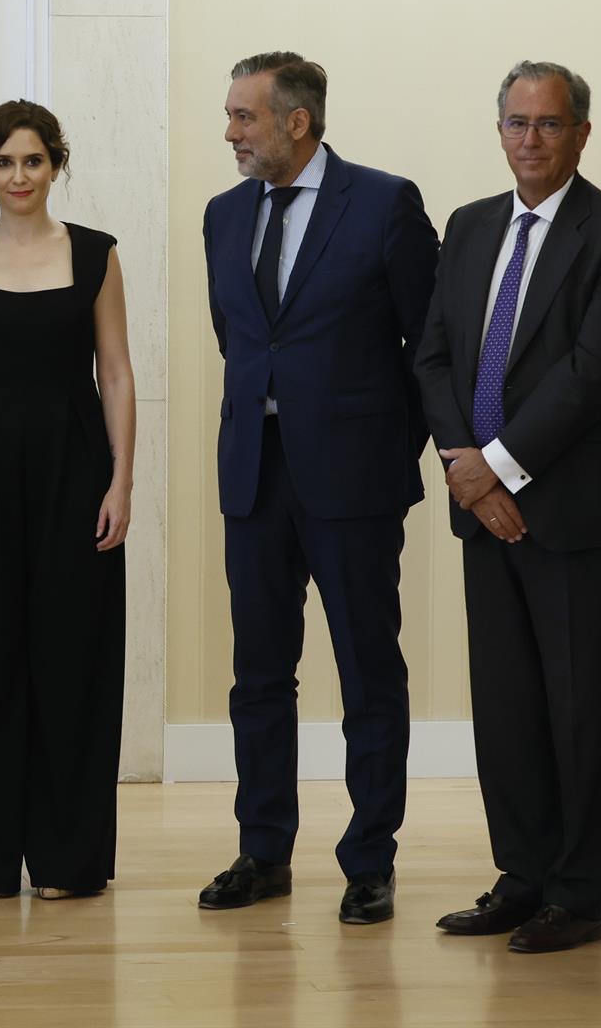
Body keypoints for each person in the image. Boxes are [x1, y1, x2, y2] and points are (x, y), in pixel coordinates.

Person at [197, 52, 438, 925]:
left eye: (244, 117)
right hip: (253, 474)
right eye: (231, 115)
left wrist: (386, 450)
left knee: (368, 673)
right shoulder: (224, 215)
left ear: (296, 122)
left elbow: (430, 344)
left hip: (355, 482)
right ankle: (262, 851)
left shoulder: (384, 203)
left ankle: (369, 860)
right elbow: (239, 338)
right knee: (258, 675)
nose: (230, 132)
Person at [415, 62, 601, 955]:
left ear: (581, 133)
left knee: (580, 708)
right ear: (500, 130)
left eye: (549, 124)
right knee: (506, 704)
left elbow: (594, 373)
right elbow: (435, 355)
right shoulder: (469, 226)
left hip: (578, 512)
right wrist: (465, 468)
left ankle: (577, 897)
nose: (530, 140)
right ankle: (521, 878)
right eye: (517, 123)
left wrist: (497, 472)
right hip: (483, 506)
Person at [0, 101, 133, 899]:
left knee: (72, 657)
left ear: (55, 166)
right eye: (5, 162)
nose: (19, 176)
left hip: (75, 470)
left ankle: (68, 858)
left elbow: (116, 372)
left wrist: (121, 480)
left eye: (33, 161)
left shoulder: (98, 254)